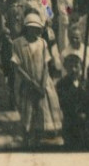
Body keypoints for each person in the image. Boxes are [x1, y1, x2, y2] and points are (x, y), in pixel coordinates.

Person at [11, 11, 63, 148]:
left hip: (42, 81)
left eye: (37, 29)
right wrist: (31, 82)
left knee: (43, 107)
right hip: (26, 81)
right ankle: (27, 136)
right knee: (27, 108)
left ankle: (41, 134)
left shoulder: (42, 43)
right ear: (26, 28)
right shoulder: (17, 44)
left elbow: (46, 64)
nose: (34, 31)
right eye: (31, 28)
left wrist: (42, 82)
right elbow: (17, 66)